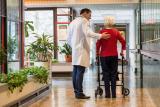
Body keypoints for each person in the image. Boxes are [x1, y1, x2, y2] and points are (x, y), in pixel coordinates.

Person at [67, 8, 110, 99]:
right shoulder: (84, 21)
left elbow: (68, 39)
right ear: (85, 13)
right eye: (90, 15)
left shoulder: (72, 22)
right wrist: (100, 36)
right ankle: (79, 93)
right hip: (81, 50)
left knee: (75, 71)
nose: (90, 17)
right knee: (80, 72)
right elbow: (88, 32)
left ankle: (76, 92)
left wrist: (74, 47)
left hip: (75, 50)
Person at [96, 16, 126, 98]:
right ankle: (114, 94)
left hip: (104, 56)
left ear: (105, 22)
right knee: (113, 74)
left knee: (105, 74)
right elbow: (123, 41)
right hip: (114, 56)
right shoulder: (116, 32)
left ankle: (107, 94)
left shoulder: (102, 32)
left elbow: (98, 44)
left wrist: (96, 53)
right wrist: (122, 51)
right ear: (113, 22)